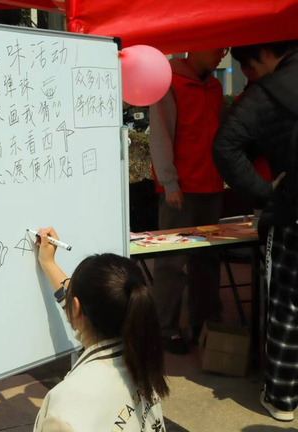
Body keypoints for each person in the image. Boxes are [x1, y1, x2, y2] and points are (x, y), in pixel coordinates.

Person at [212, 39, 298, 422]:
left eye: (249, 67)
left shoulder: (268, 92)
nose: (249, 76)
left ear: (263, 54)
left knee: (287, 307)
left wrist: (266, 193)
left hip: (292, 215)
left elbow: (225, 147)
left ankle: (281, 398)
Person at [33, 227, 168, 431]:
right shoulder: (141, 356)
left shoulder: (64, 408)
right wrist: (48, 263)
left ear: (75, 309)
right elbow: (86, 305)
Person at [148, 49, 228, 355]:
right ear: (198, 46)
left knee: (207, 259)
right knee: (171, 261)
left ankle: (204, 323)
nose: (222, 54)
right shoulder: (169, 81)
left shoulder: (215, 85)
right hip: (180, 190)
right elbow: (160, 135)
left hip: (210, 186)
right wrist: (170, 183)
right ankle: (164, 328)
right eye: (218, 48)